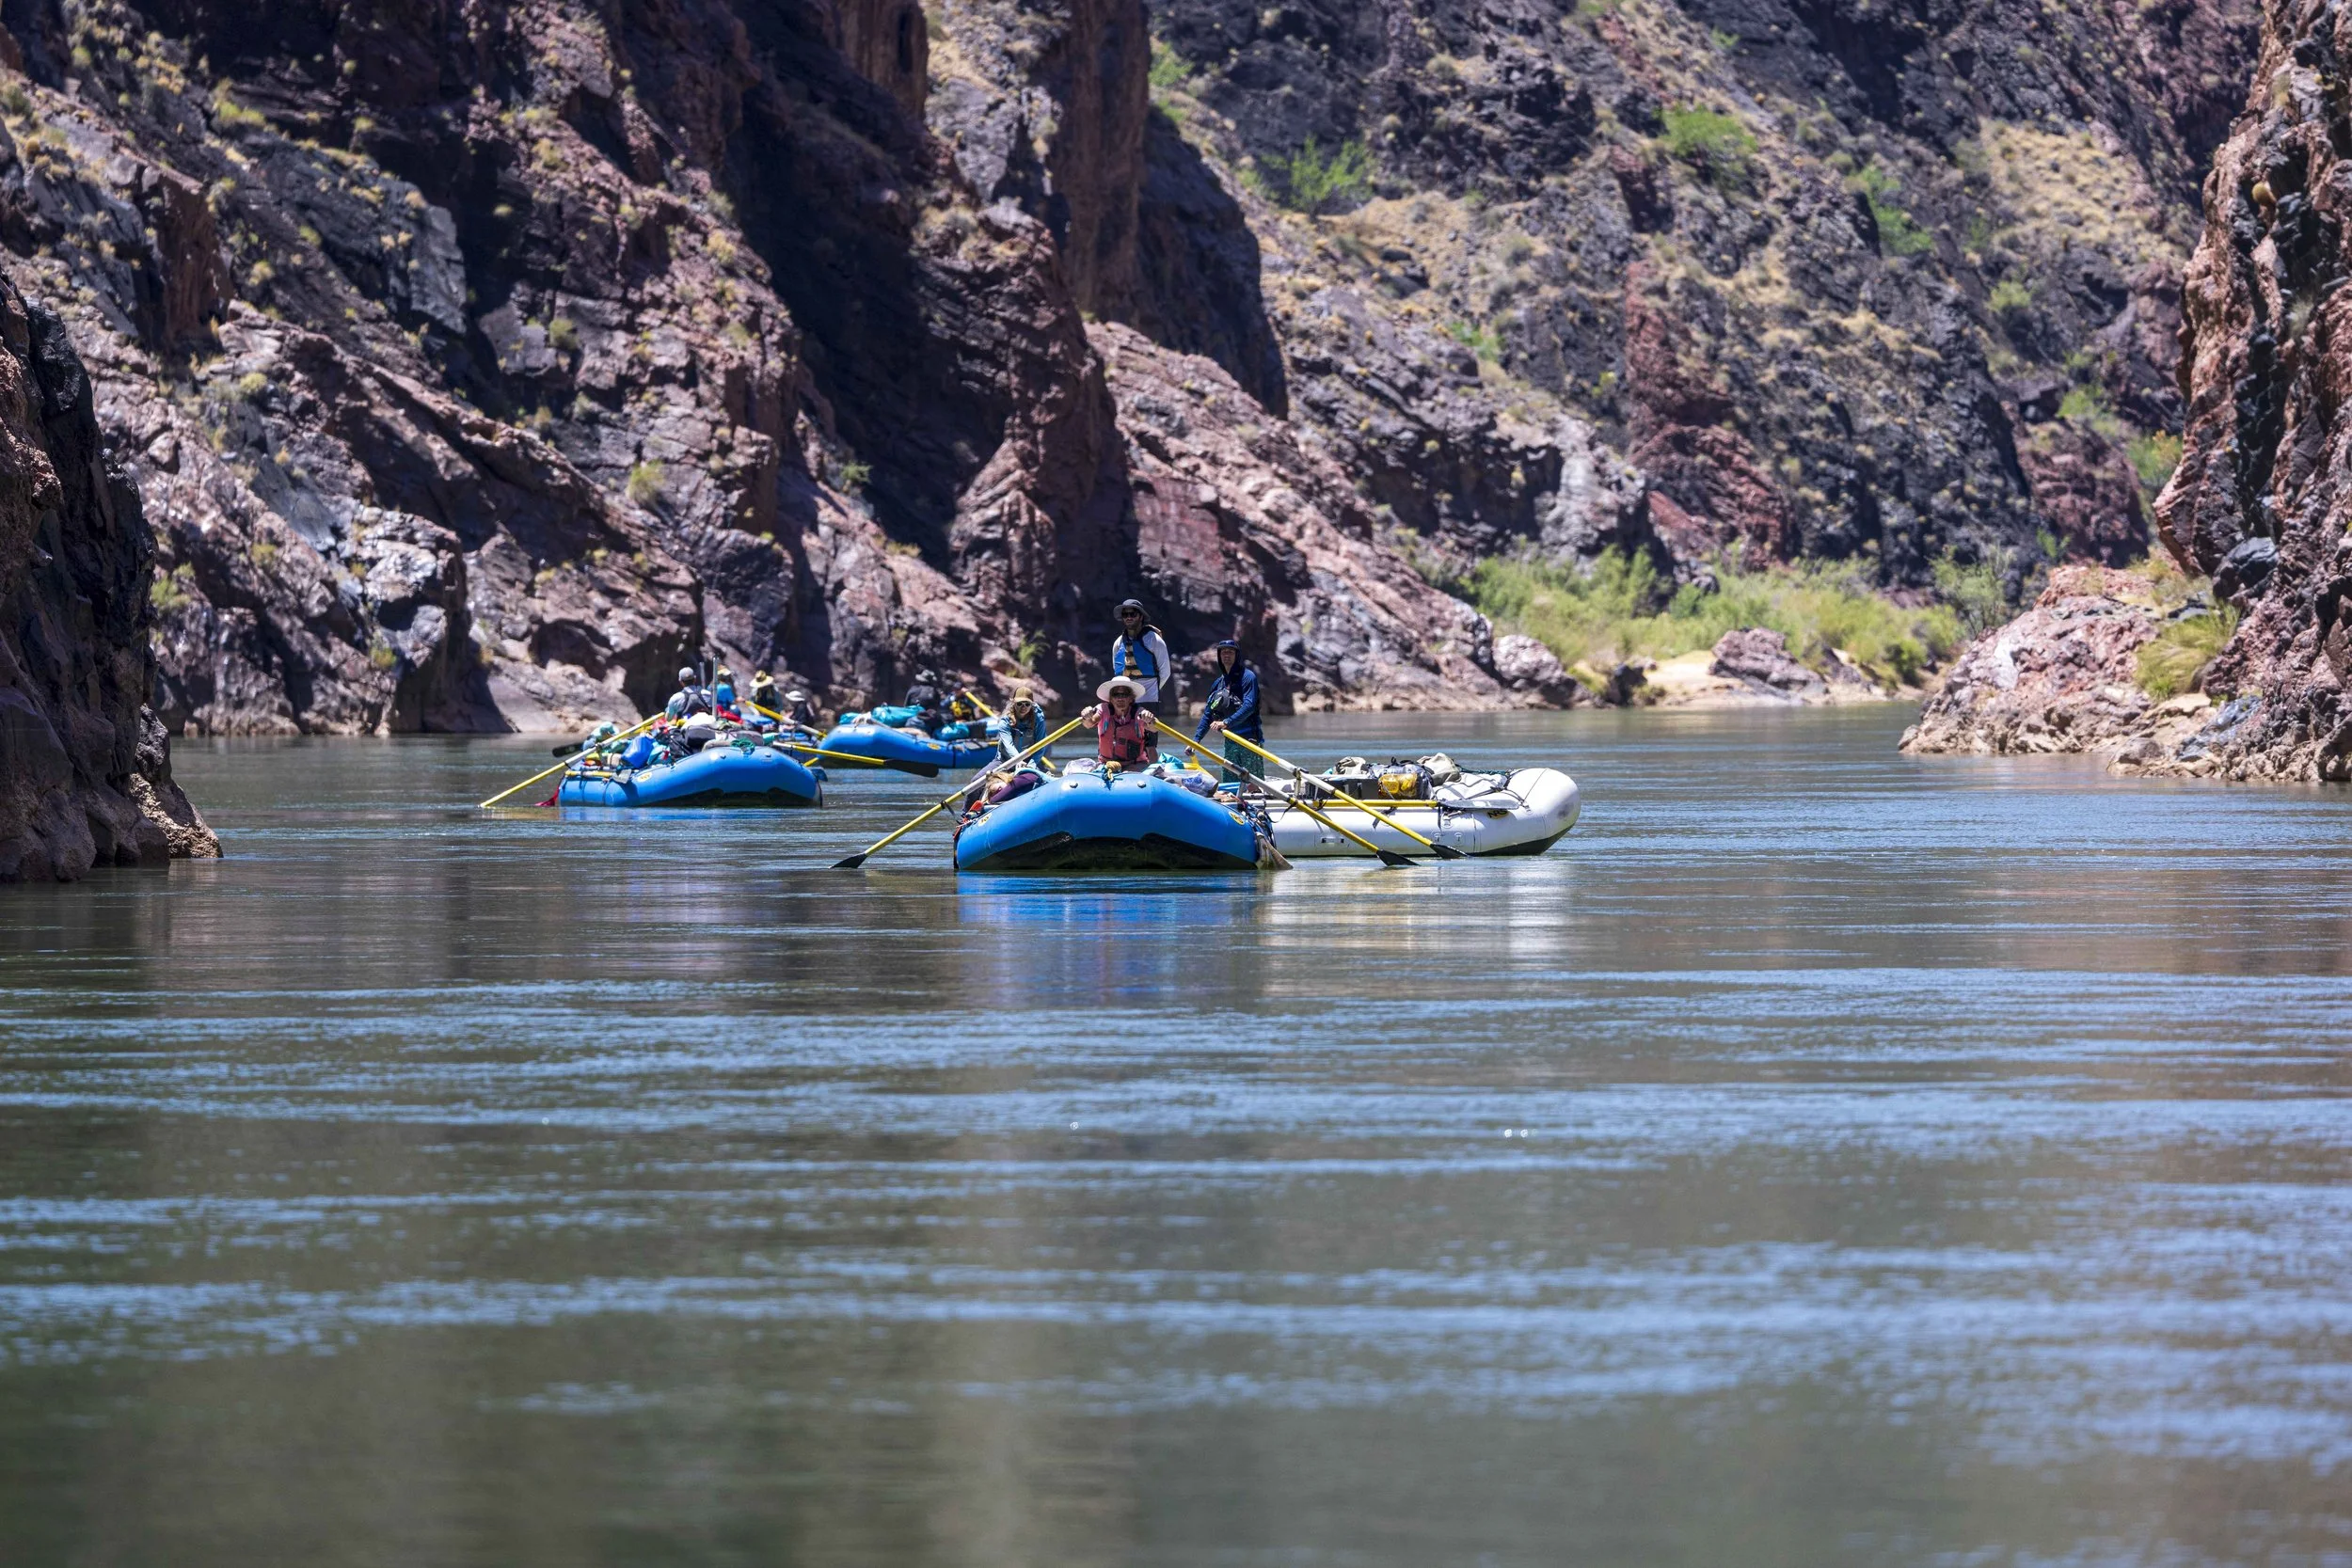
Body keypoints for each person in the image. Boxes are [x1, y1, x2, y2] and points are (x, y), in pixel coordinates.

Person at [1194, 638, 1263, 784]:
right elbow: (1208, 714)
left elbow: (1249, 706)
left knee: (1252, 785)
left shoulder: (1248, 677)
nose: (1226, 655)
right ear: (1219, 656)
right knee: (1229, 783)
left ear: (1237, 655)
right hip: (1230, 741)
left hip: (1249, 739)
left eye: (1230, 652)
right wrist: (1196, 741)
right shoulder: (1218, 684)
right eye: (1223, 652)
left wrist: (1226, 722)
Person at [1109, 599, 1174, 707]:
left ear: (1141, 616)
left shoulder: (1154, 640)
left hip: (1149, 700)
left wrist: (1153, 689)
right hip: (1124, 704)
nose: (1129, 617)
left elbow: (1165, 672)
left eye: (1133, 614)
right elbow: (1116, 670)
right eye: (1125, 615)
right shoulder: (1118, 643)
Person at [1080, 677, 1156, 768]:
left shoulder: (1139, 713)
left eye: (1125, 694)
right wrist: (1086, 716)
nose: (1120, 699)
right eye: (1116, 695)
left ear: (1131, 699)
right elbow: (1089, 723)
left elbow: (1154, 728)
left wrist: (1150, 719)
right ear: (1111, 699)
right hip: (1106, 765)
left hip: (1135, 766)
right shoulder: (1103, 710)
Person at [1000, 687, 1048, 761]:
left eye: (1027, 704)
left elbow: (1040, 745)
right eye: (1019, 704)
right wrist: (1018, 761)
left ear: (1031, 705)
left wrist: (1031, 765)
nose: (1023, 707)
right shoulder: (1005, 721)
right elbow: (1008, 746)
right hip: (1005, 761)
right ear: (1013, 703)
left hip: (1030, 760)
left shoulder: (1039, 719)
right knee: (982, 773)